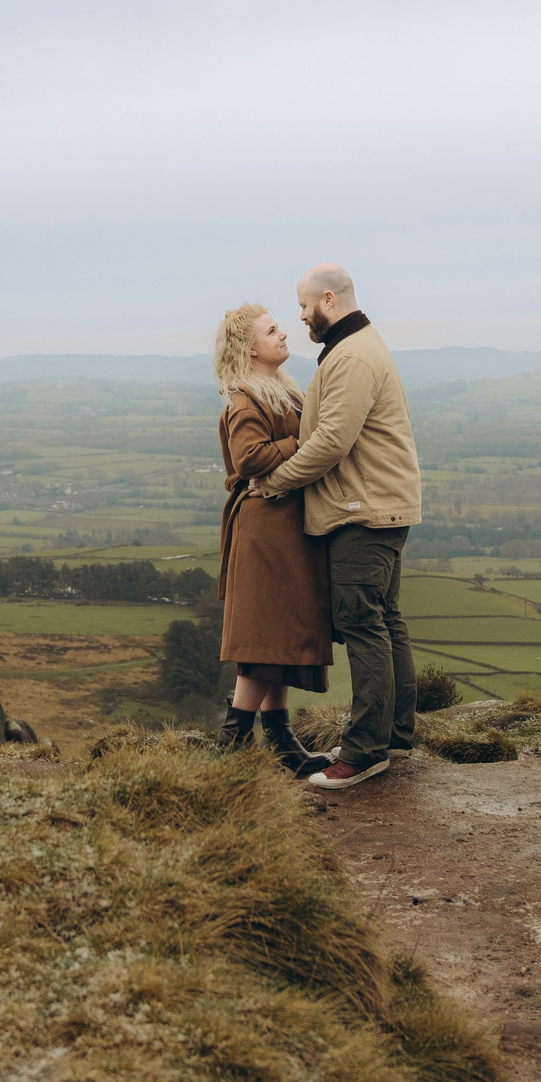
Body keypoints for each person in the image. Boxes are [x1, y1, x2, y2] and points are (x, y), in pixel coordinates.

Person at [255, 263, 422, 789]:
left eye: (304, 307)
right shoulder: (358, 347)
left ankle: (365, 751)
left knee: (362, 623)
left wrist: (276, 482)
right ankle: (393, 733)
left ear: (328, 299)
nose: (300, 317)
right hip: (380, 505)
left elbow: (331, 441)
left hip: (363, 510)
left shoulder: (351, 356)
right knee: (385, 619)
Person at [211, 302, 333, 776]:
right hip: (266, 532)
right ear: (249, 347)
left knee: (276, 638)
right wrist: (305, 443)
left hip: (284, 530)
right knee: (264, 639)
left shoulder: (280, 390)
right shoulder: (246, 397)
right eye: (272, 330)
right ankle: (233, 741)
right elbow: (249, 459)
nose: (284, 335)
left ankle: (279, 743)